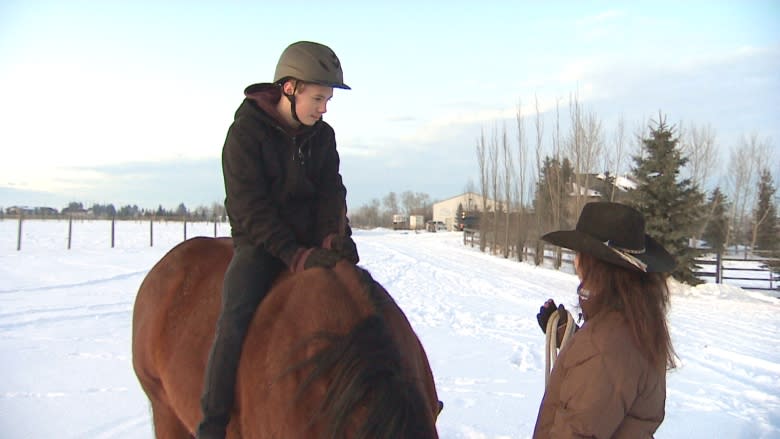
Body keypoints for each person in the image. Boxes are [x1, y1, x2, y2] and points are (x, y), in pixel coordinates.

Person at [196, 41, 359, 439]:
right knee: (235, 317)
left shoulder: (323, 136)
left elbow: (330, 191)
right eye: (318, 98)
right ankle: (212, 423)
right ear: (289, 88)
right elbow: (250, 209)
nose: (323, 108)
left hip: (311, 241)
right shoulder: (245, 134)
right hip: (261, 243)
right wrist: (294, 255)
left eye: (328, 100)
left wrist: (335, 236)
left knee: (358, 299)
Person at [533, 201, 677, 438]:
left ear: (595, 265)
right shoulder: (637, 320)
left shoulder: (604, 347)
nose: (576, 262)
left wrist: (586, 344)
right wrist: (568, 335)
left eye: (579, 254)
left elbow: (578, 428)